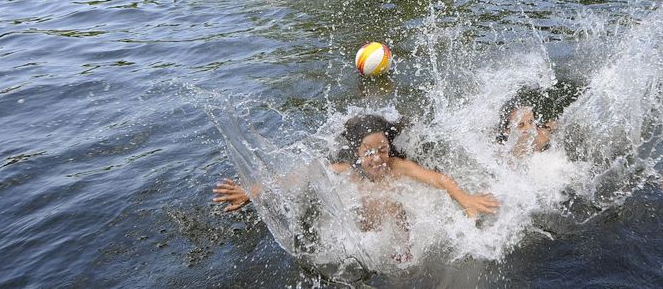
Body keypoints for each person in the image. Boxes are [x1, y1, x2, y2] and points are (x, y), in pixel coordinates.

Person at [213, 115, 500, 228]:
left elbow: (438, 179)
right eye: (368, 152)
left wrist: (466, 199)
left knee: (390, 205)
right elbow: (296, 178)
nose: (377, 159)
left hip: (395, 220)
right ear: (356, 153)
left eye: (383, 150)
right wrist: (252, 191)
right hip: (363, 222)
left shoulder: (397, 167)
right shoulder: (345, 169)